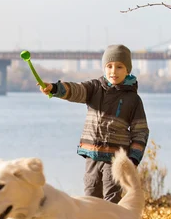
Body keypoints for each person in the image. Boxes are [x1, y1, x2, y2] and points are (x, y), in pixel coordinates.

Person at [40, 44, 149, 203]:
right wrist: (55, 88)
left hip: (115, 158)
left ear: (128, 70)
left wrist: (132, 160)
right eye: (109, 66)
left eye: (119, 67)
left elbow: (141, 132)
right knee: (90, 197)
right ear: (104, 68)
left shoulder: (133, 99)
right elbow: (76, 90)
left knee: (111, 198)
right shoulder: (95, 88)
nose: (113, 71)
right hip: (92, 154)